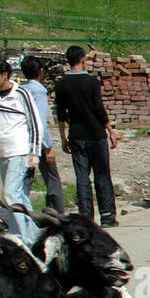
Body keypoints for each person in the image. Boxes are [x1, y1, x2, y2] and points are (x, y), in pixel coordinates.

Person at [54, 45, 118, 226]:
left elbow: (60, 113)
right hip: (96, 134)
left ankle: (86, 218)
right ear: (83, 60)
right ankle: (107, 216)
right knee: (102, 174)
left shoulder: (61, 84)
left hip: (76, 136)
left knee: (82, 177)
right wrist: (110, 131)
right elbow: (99, 109)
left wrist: (63, 138)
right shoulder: (92, 83)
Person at [0, 56, 42, 246]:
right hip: (2, 151)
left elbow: (35, 124)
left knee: (10, 194)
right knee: (20, 195)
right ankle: (34, 235)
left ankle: (19, 237)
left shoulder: (21, 94)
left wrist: (34, 153)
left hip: (20, 151)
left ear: (4, 74)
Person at [20, 56, 63, 215]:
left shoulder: (20, 89)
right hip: (37, 142)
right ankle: (56, 212)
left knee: (25, 178)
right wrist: (48, 147)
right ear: (41, 71)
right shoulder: (39, 91)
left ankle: (8, 214)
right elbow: (41, 120)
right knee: (52, 177)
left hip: (23, 141)